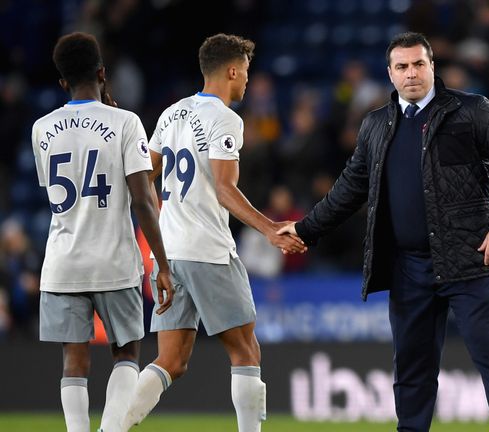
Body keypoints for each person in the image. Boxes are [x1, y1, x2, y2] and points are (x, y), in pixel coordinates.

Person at [279, 32, 489, 431]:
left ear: (433, 66)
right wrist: (305, 231)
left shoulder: (472, 110)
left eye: (418, 64)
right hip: (408, 267)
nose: (411, 73)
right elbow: (348, 190)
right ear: (390, 73)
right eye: (402, 66)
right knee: (412, 370)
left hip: (470, 258)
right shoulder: (375, 125)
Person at [121, 33, 305, 432]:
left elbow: (143, 176)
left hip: (168, 253)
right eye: (246, 74)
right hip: (208, 251)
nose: (247, 83)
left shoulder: (171, 114)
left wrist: (160, 219)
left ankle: (110, 429)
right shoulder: (225, 118)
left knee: (170, 361)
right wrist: (271, 228)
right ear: (233, 70)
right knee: (246, 351)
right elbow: (224, 188)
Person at [31, 32, 173, 432]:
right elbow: (144, 200)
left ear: (62, 81)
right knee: (127, 353)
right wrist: (162, 264)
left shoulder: (42, 128)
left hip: (63, 262)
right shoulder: (126, 122)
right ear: (102, 72)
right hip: (115, 260)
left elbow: (55, 195)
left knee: (73, 362)